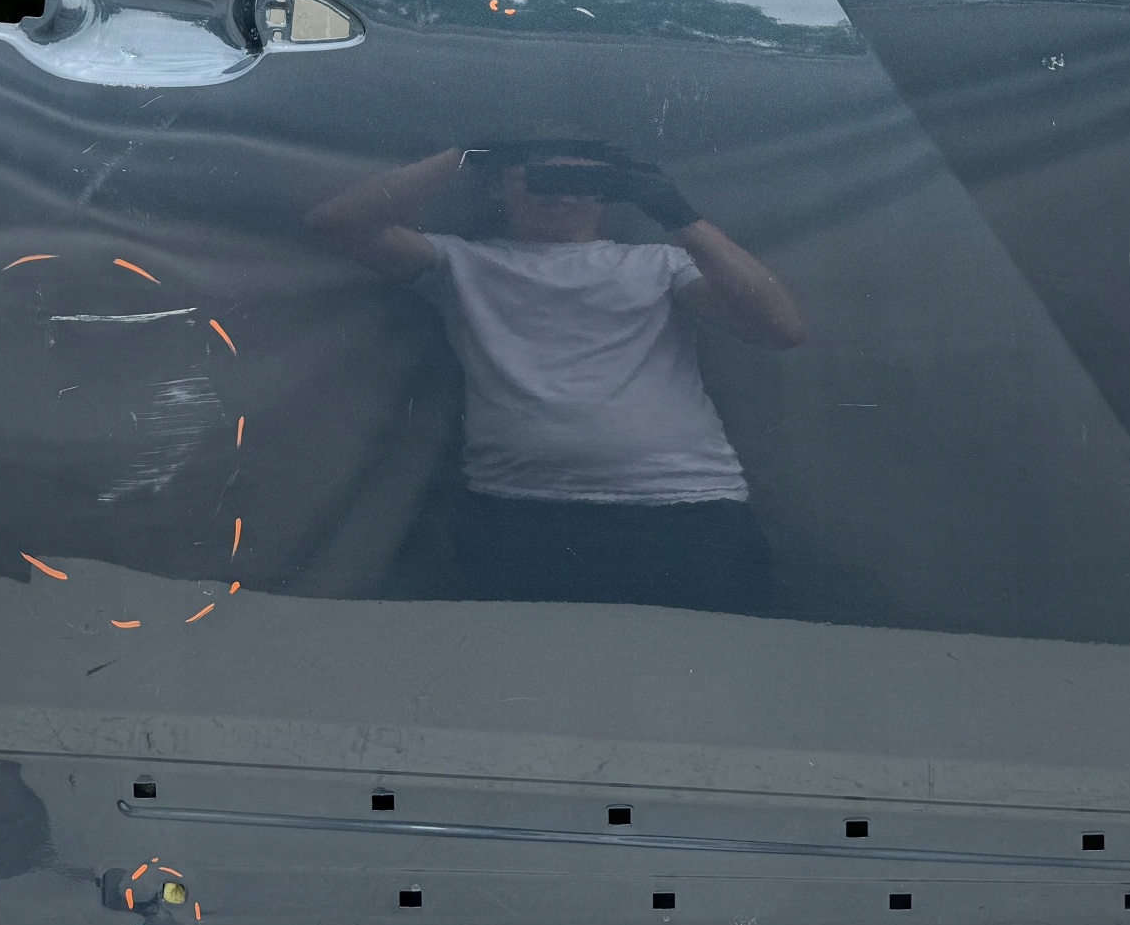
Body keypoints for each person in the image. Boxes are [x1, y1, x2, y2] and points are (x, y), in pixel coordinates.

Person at [307, 139, 805, 615]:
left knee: (709, 664)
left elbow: (780, 328)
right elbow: (336, 225)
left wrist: (677, 214)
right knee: (525, 669)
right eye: (542, 177)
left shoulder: (660, 262)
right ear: (499, 186)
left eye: (582, 181)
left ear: (608, 193)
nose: (562, 192)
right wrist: (465, 153)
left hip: (688, 508)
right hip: (520, 514)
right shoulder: (462, 262)